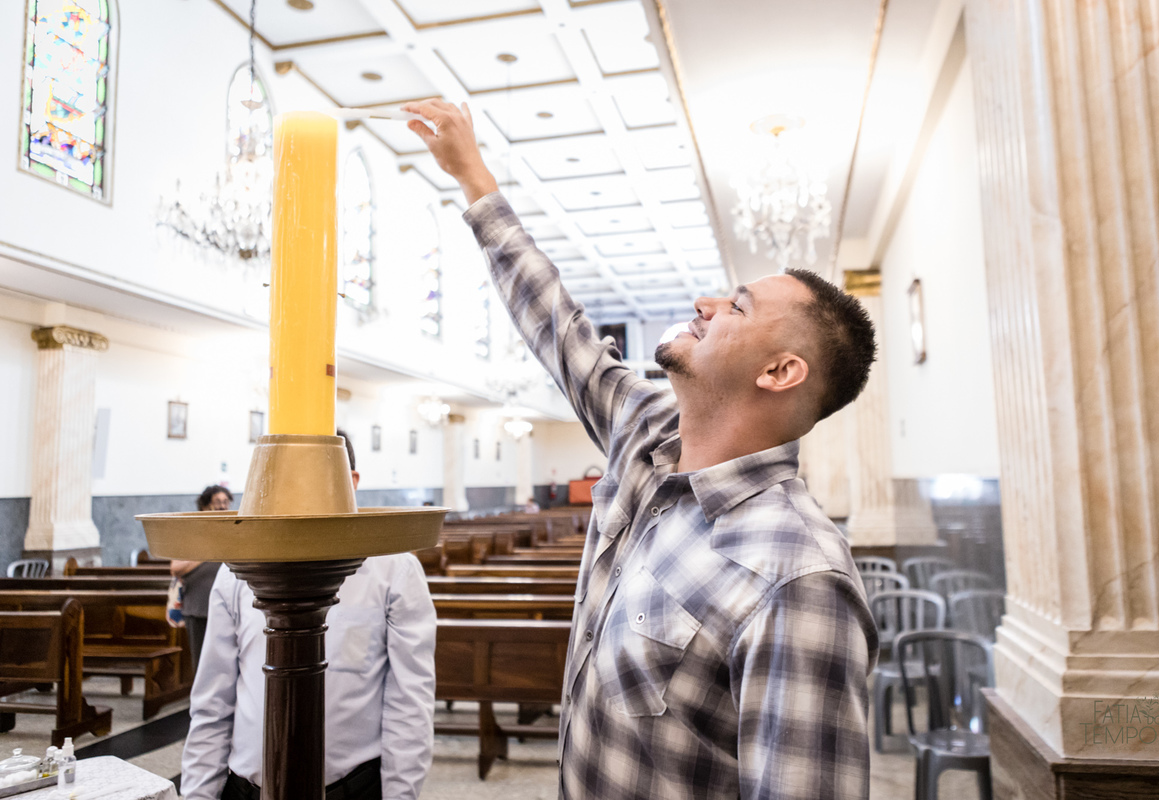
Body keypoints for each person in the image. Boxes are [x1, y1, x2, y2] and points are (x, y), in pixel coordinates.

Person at [404, 98, 880, 800]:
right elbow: (558, 327)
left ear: (780, 372)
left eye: (736, 307)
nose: (706, 304)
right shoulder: (647, 433)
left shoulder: (796, 574)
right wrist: (476, 180)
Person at [180, 431, 436, 800]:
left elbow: (409, 702)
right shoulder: (237, 568)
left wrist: (400, 795)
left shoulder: (394, 568)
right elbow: (213, 698)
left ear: (352, 482)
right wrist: (198, 794)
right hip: (246, 787)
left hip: (350, 788)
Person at [171, 485, 232, 672]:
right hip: (198, 607)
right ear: (205, 507)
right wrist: (210, 551)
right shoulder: (192, 532)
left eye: (225, 502)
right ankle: (200, 702)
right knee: (201, 663)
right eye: (217, 503)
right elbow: (176, 568)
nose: (222, 507)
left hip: (228, 607)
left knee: (226, 661)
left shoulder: (234, 531)